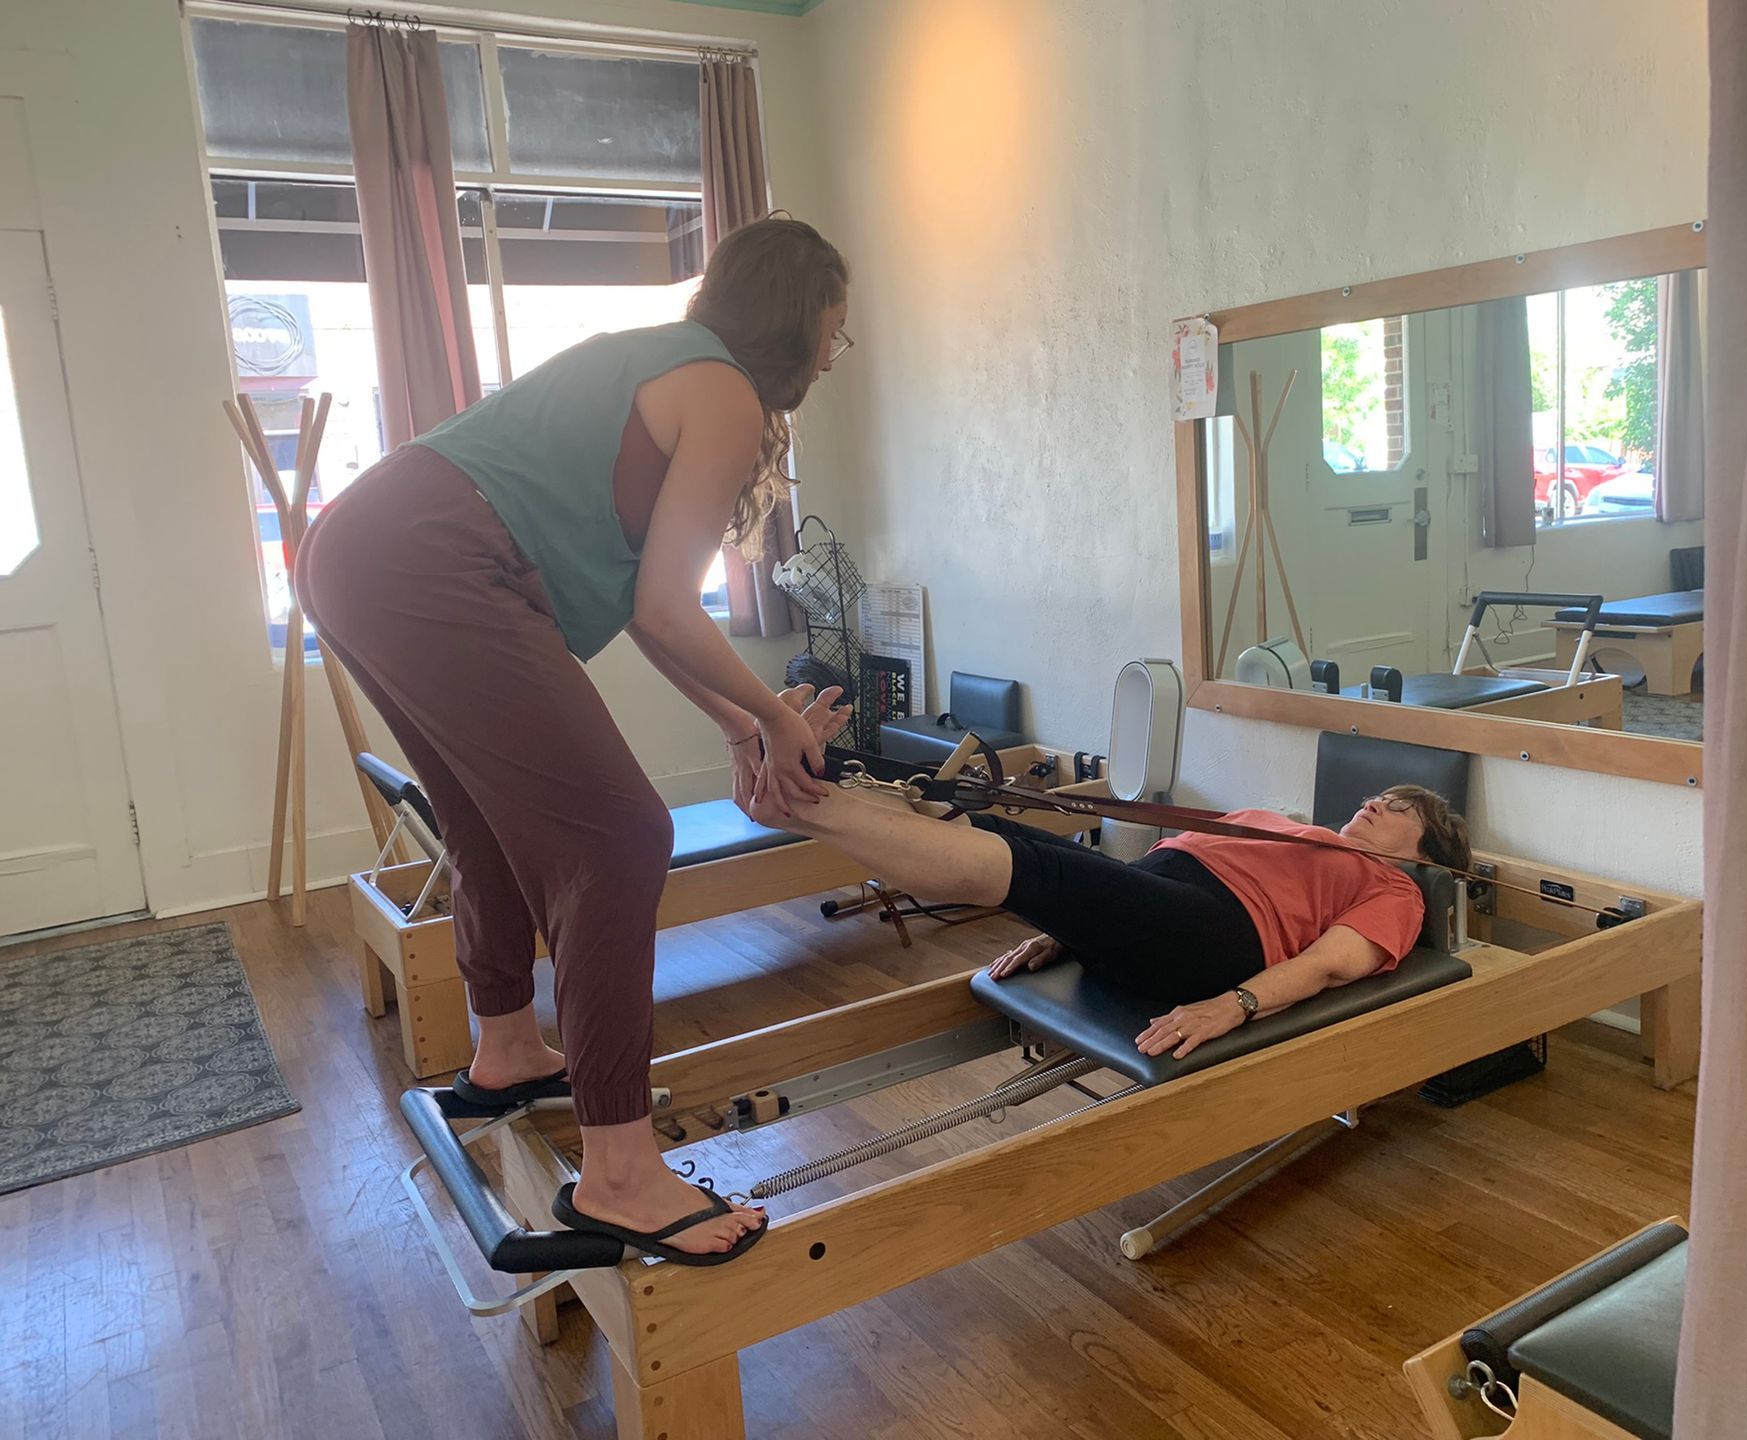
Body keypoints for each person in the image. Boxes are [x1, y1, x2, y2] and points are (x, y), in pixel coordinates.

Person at [295, 217, 852, 1266]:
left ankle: (507, 1046)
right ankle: (623, 1176)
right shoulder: (726, 391)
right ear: (799, 320)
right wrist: (777, 718)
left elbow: (650, 610)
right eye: (838, 328)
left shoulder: (659, 360)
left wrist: (741, 725)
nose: (836, 350)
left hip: (364, 542)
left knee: (488, 818)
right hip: (427, 553)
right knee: (621, 837)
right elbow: (671, 609)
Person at [750, 707, 1471, 1063]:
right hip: (1159, 901)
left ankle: (805, 798)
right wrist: (1073, 926)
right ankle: (807, 780)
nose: (1380, 804)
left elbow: (1331, 963)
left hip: (1214, 940)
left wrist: (1236, 1005)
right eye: (1384, 797)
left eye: (1403, 810)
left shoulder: (1396, 890)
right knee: (985, 829)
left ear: (1426, 856)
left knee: (1029, 868)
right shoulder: (1292, 827)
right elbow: (1148, 878)